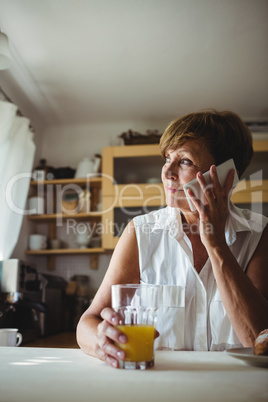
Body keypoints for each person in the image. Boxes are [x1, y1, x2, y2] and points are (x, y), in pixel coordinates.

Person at [77, 110, 268, 368]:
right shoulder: (140, 233)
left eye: (185, 161)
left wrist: (216, 244)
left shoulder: (259, 235)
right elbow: (88, 322)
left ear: (224, 175)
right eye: (167, 158)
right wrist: (101, 342)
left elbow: (257, 339)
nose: (167, 171)